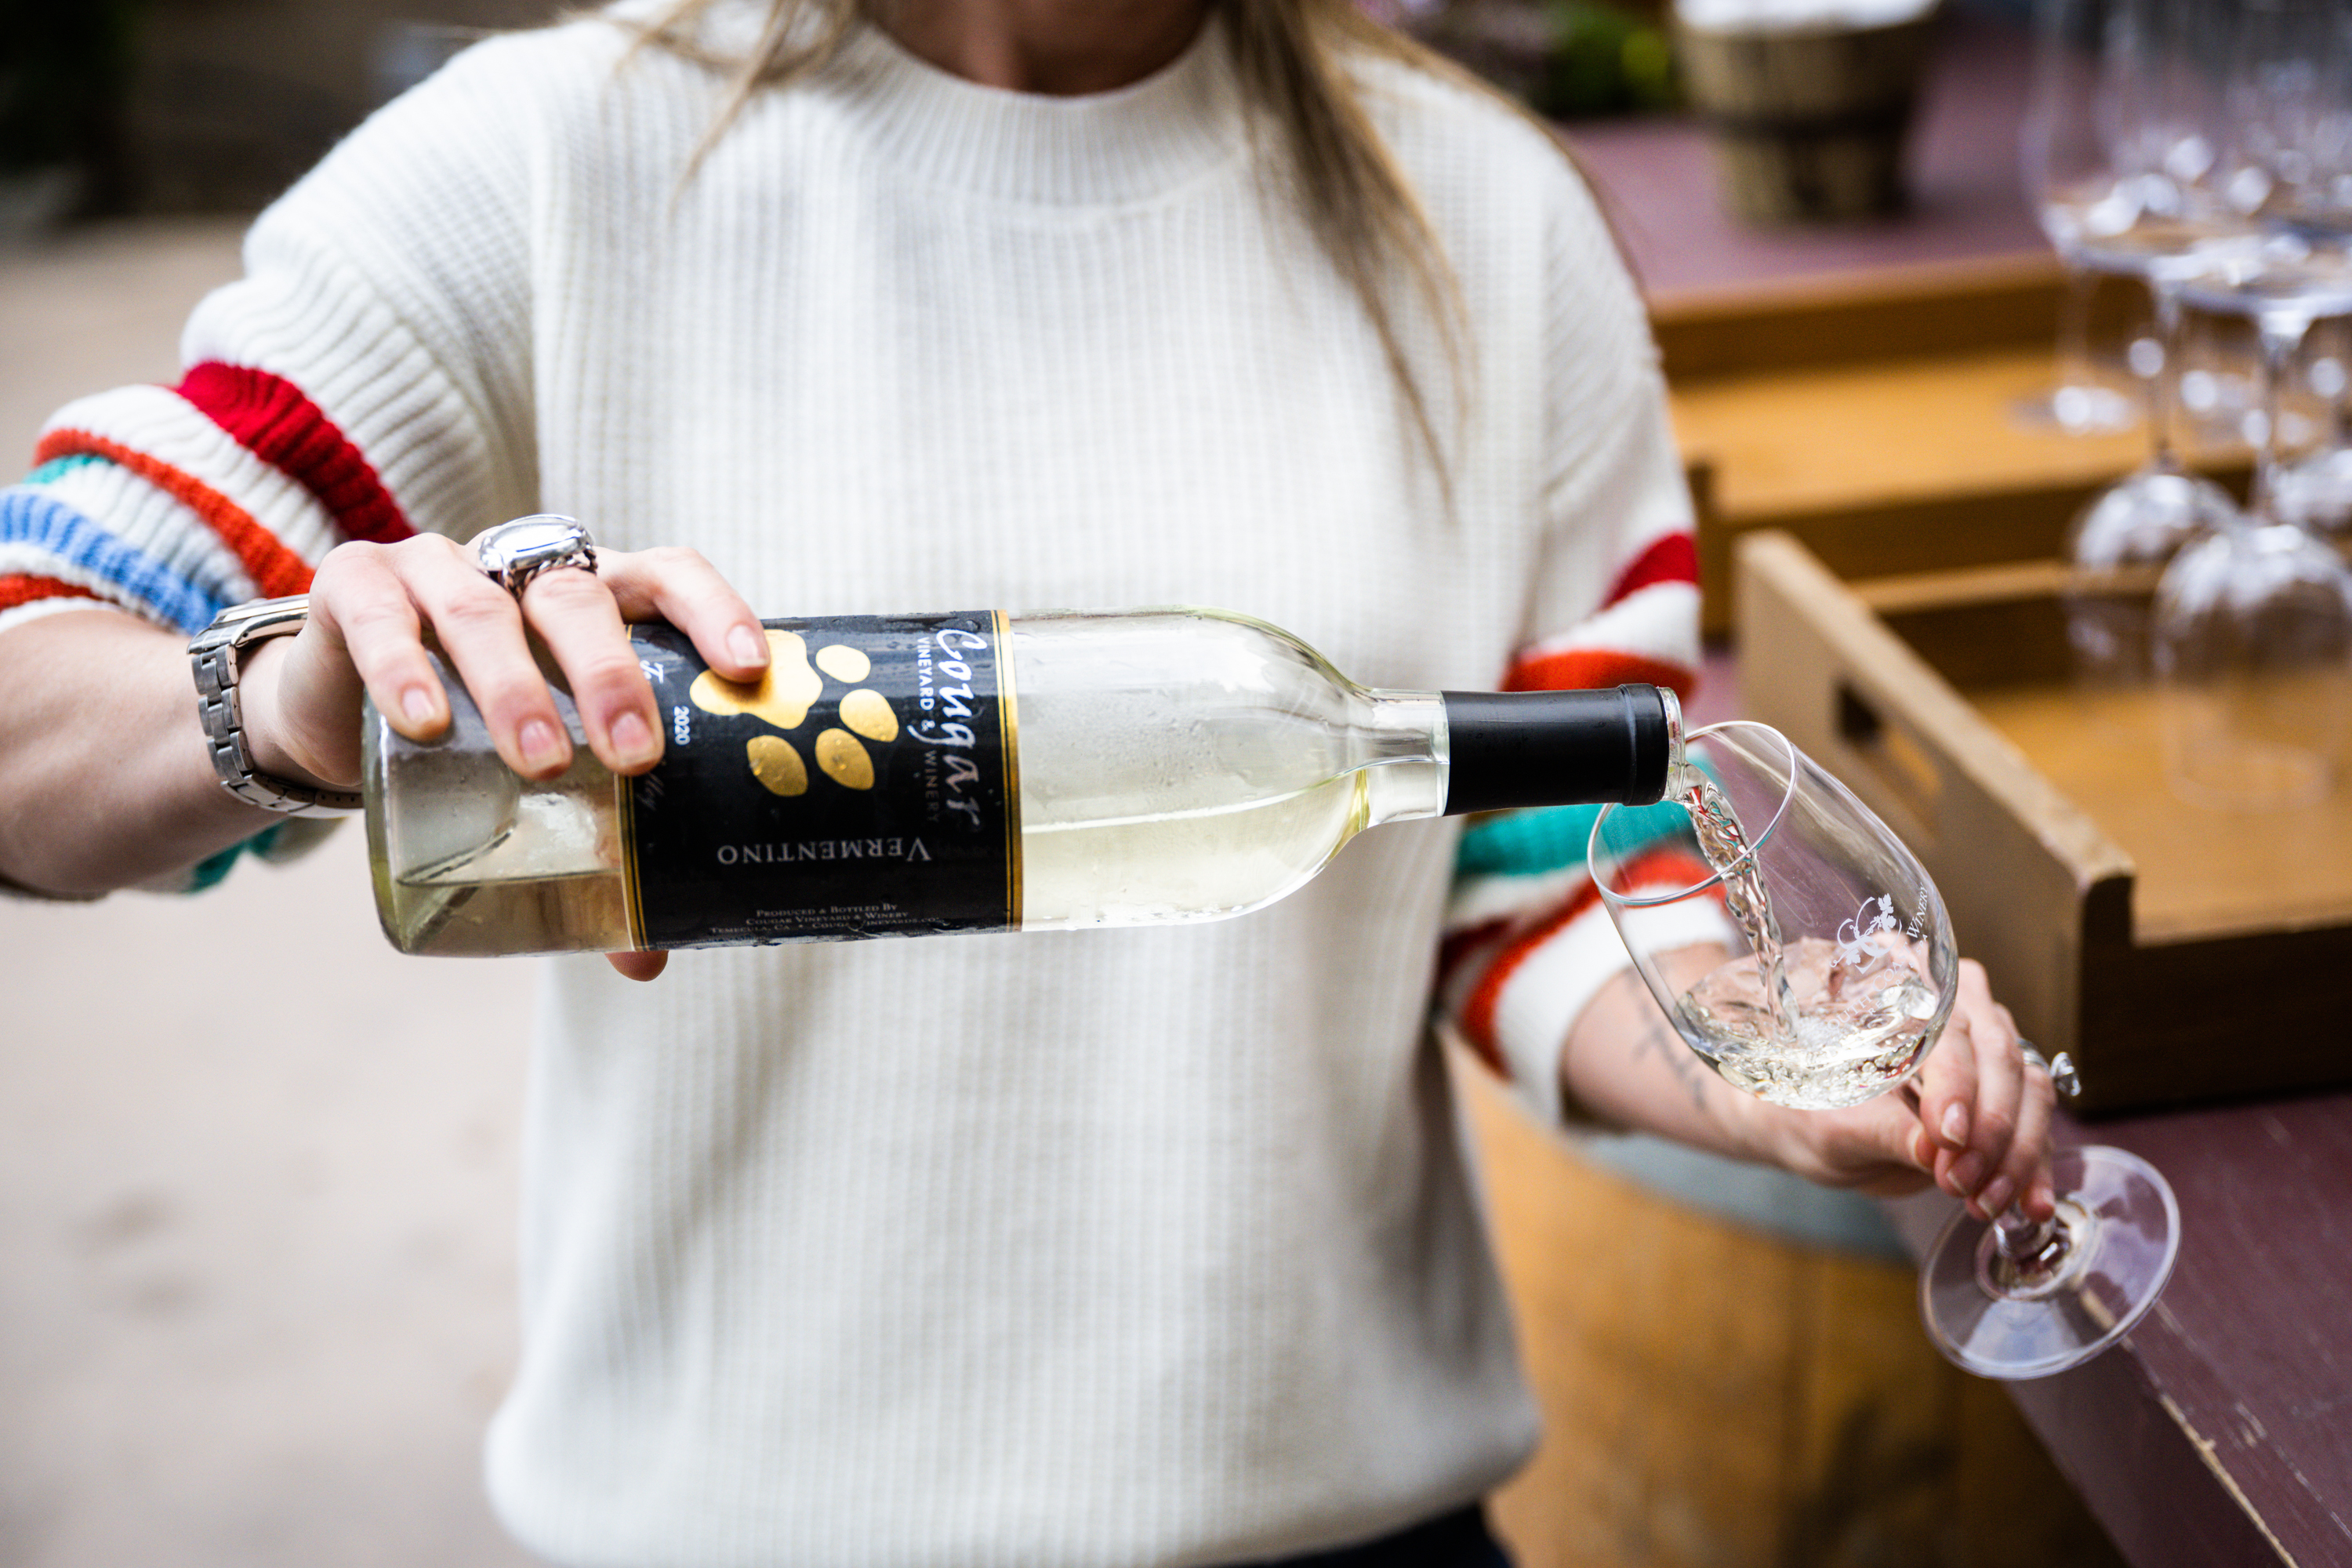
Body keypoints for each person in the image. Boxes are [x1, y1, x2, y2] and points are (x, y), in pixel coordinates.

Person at [0, 0, 2056, 1562]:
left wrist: (1772, 1077)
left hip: (1345, 1520)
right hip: (734, 1529)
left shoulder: (1487, 222)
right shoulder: (543, 171)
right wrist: (285, 696)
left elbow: (1532, 875)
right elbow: (28, 717)